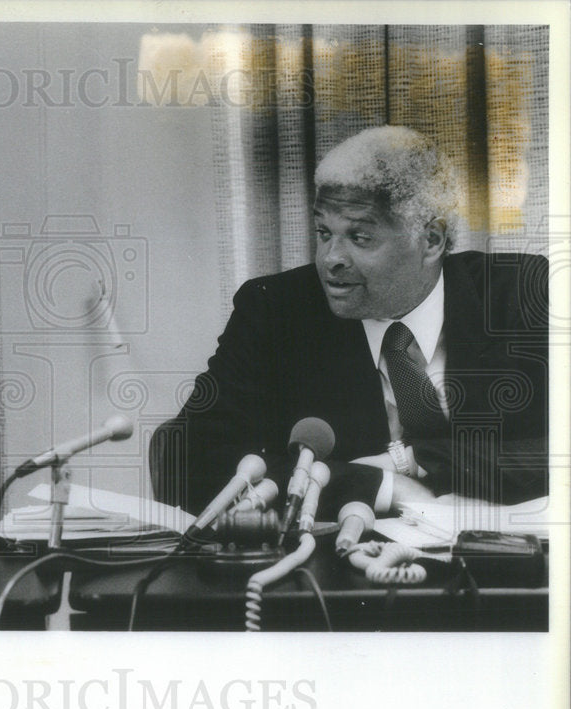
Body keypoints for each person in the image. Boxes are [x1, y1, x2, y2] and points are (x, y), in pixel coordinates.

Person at [159, 125, 548, 519]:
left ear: (431, 241)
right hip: (335, 566)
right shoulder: (276, 311)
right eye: (324, 232)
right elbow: (186, 457)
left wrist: (417, 460)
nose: (331, 258)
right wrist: (383, 486)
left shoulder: (524, 296)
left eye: (359, 237)